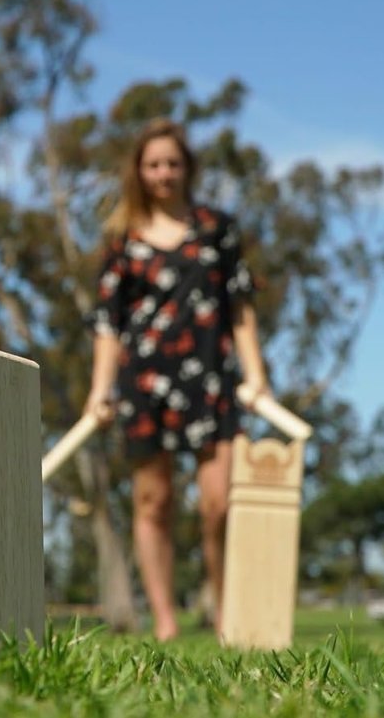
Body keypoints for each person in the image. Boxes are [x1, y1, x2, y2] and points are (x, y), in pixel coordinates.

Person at [84, 118, 270, 641]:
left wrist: (256, 376)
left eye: (172, 163)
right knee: (153, 501)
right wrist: (100, 391)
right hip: (144, 381)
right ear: (138, 172)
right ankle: (165, 621)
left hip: (211, 378)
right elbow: (107, 325)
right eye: (153, 164)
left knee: (220, 501)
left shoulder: (217, 228)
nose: (163, 173)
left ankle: (225, 611)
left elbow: (241, 307)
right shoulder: (122, 239)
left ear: (188, 168)